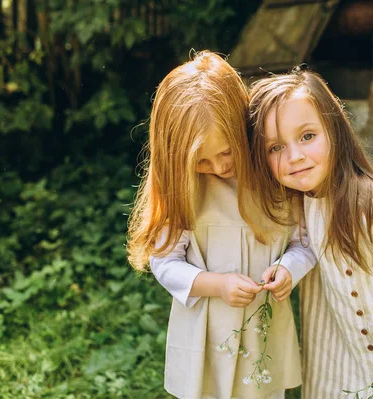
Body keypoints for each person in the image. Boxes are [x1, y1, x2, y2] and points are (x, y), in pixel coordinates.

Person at [127, 52, 316, 399]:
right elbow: (164, 263)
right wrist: (216, 284)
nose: (217, 166)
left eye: (227, 151)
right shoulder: (186, 189)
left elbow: (304, 243)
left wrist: (288, 269)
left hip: (264, 329)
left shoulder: (275, 178)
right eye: (202, 160)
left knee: (265, 391)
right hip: (207, 333)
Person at [247, 68, 373, 399]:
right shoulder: (296, 205)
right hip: (336, 346)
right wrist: (286, 270)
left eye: (307, 136)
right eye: (276, 148)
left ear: (334, 130)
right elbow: (302, 249)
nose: (295, 157)